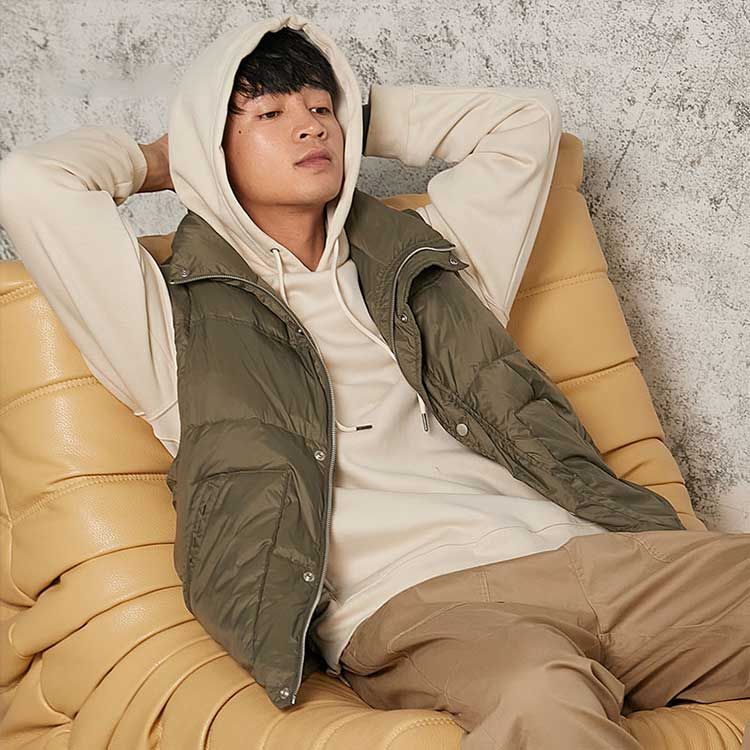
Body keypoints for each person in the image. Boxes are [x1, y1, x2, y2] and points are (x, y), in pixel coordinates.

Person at [0, 13, 747, 750]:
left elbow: (525, 122)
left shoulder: (431, 262)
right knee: (541, 700)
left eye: (320, 109)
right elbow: (29, 184)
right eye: (269, 113)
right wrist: (167, 157)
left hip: (599, 556)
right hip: (422, 602)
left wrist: (353, 108)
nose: (310, 127)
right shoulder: (171, 325)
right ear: (210, 145)